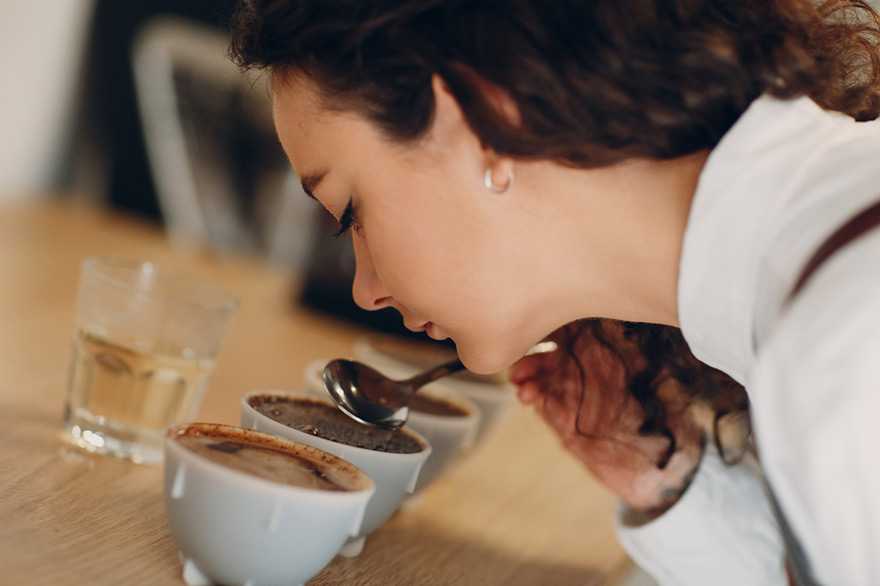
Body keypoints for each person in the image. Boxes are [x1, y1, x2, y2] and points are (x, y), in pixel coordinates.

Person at [228, 1, 880, 584]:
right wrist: (666, 476)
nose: (365, 289)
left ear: (480, 120)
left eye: (351, 213)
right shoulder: (811, 286)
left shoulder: (847, 343)